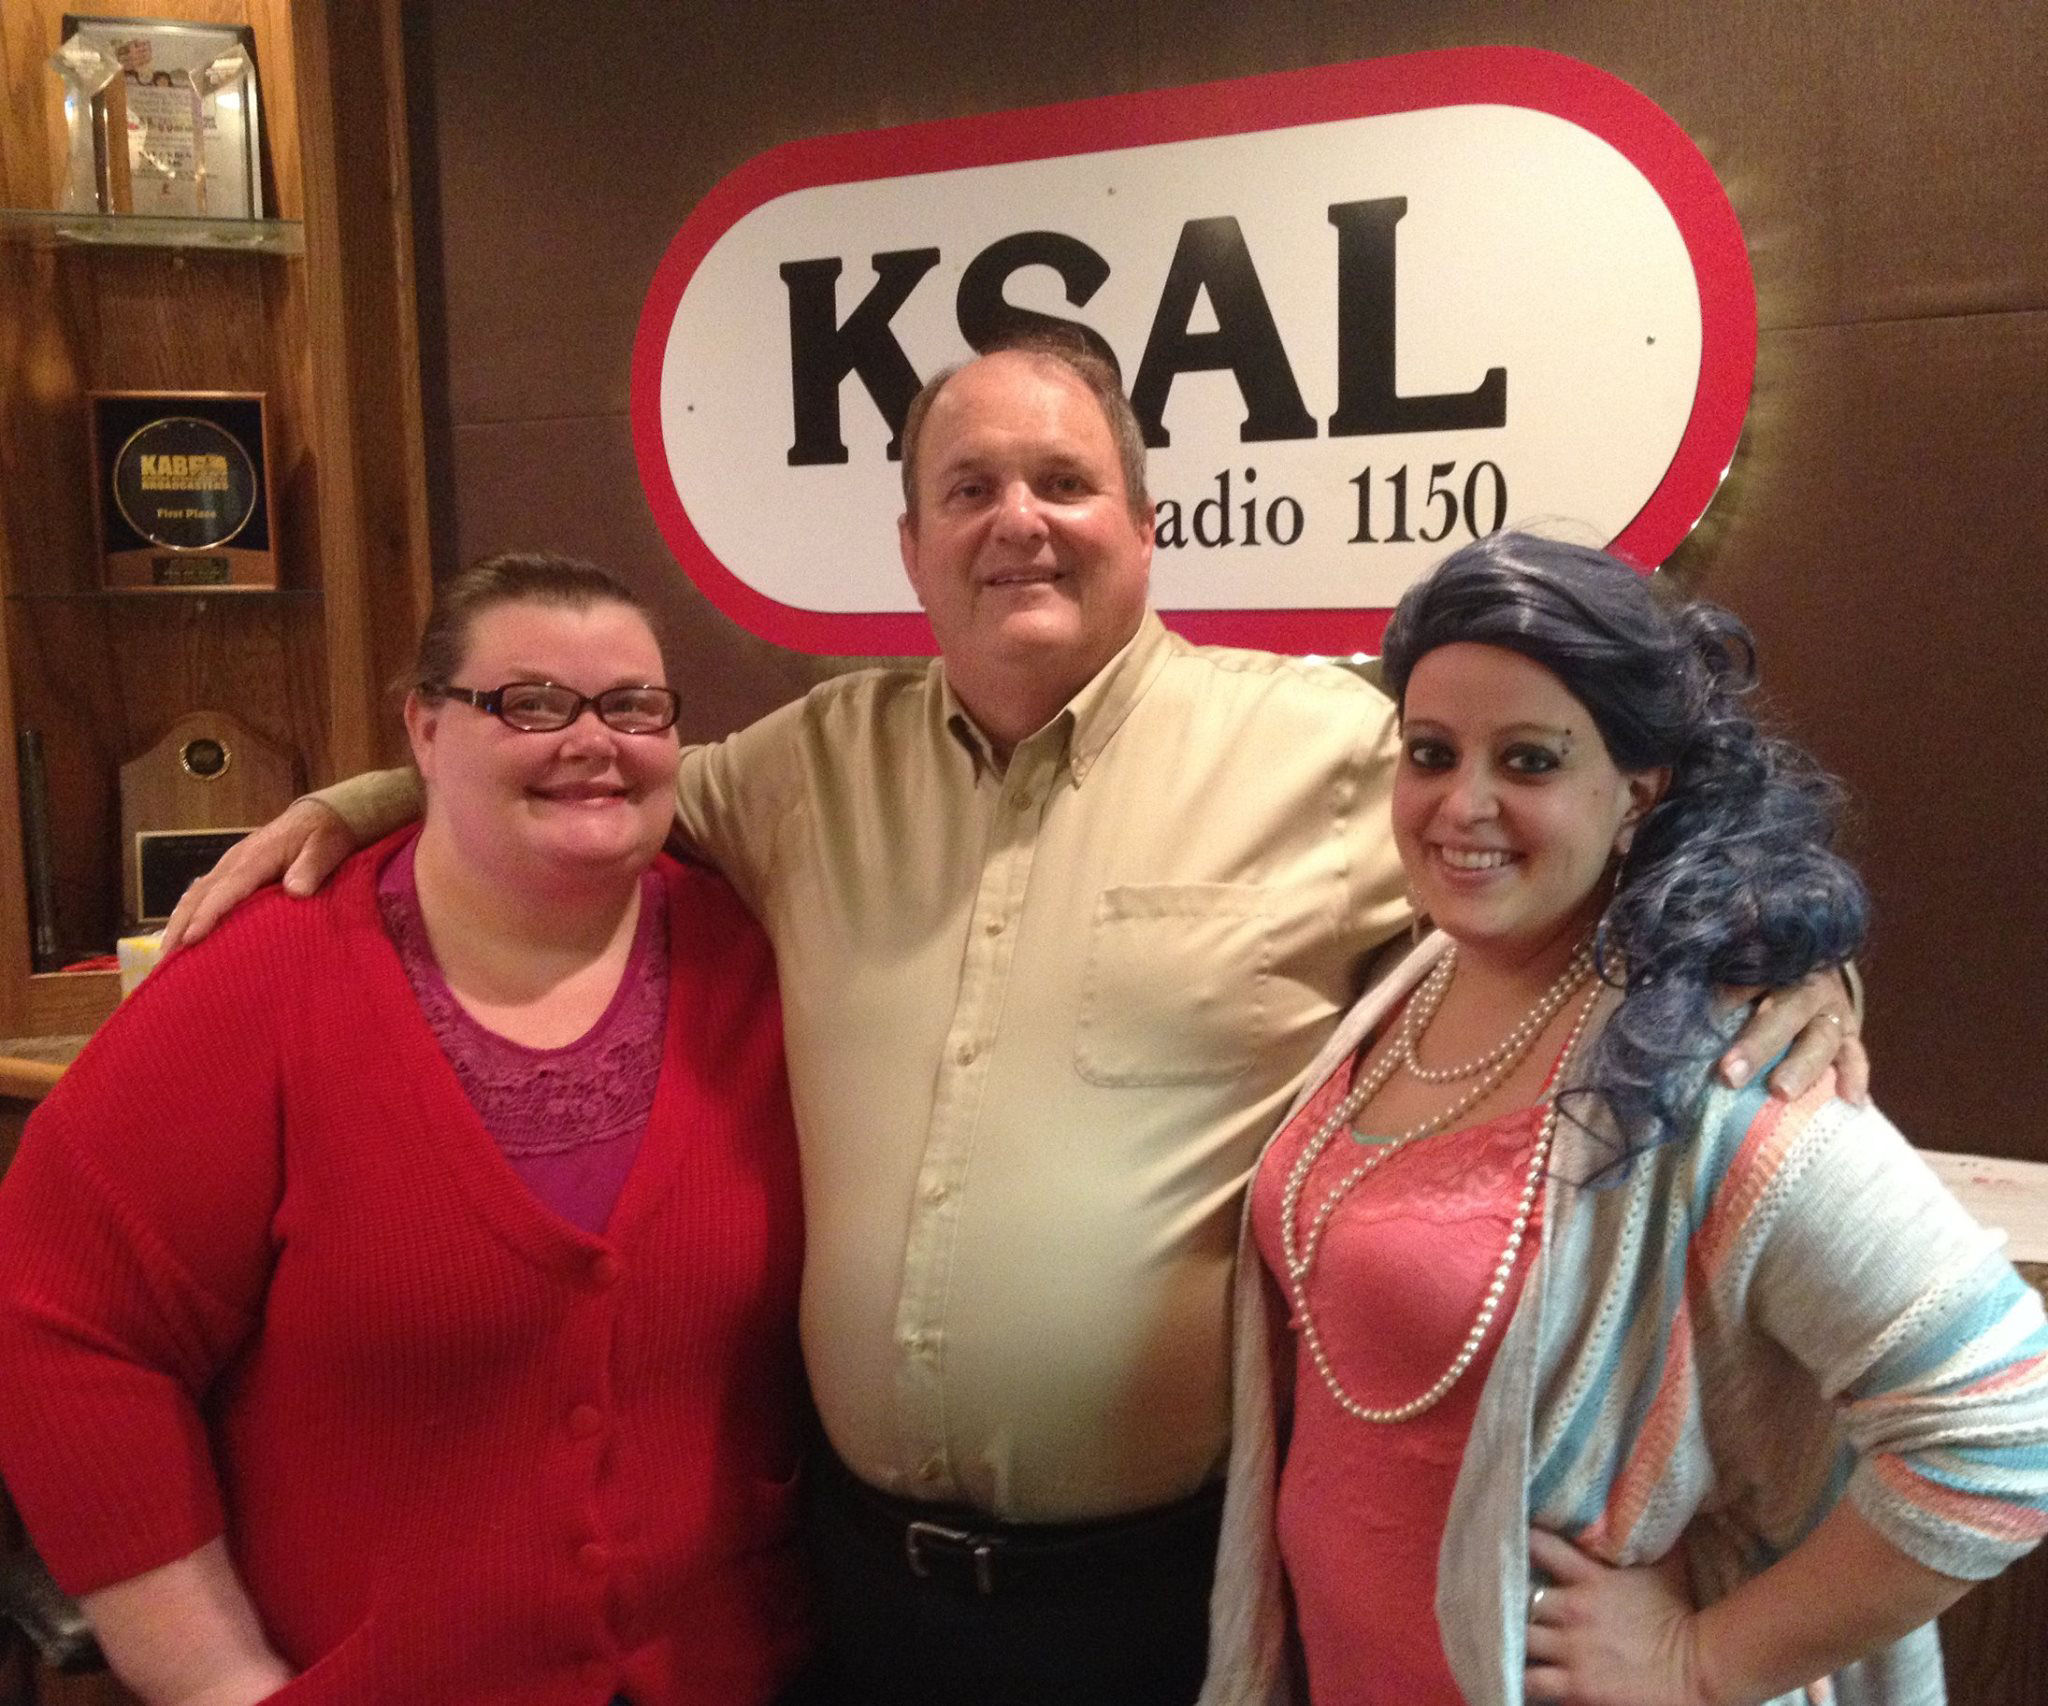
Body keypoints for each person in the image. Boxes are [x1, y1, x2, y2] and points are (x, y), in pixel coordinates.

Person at [160, 337, 1859, 1706]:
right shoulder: (808, 765)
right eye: (966, 489)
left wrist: (1794, 957)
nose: (1016, 521)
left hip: (1162, 1591)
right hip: (855, 1588)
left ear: (1146, 523)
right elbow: (587, 772)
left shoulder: (1332, 753)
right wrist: (367, 796)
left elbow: (1599, 839)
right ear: (909, 546)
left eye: (1063, 481)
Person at [1200, 533, 2048, 1706]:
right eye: (1431, 751)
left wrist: (1697, 1661)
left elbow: (2005, 1426)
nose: (1462, 802)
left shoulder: (1715, 1068)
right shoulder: (1414, 983)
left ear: (1634, 793)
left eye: (1528, 759)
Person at [0, 555, 810, 1706]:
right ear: (423, 729)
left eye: (633, 705)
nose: (593, 739)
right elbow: (57, 1318)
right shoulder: (263, 982)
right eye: (530, 702)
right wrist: (213, 1675)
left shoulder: (765, 957)